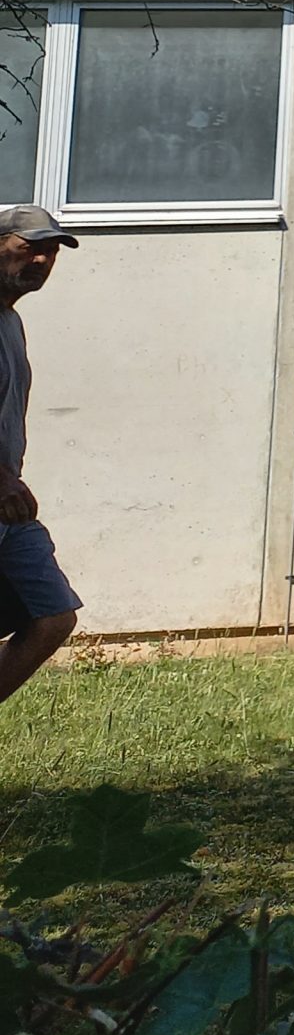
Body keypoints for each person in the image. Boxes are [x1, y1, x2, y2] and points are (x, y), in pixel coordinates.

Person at [0, 205, 80, 705]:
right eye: (29, 247)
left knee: (53, 616)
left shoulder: (11, 322)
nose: (42, 260)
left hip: (9, 505)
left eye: (51, 252)